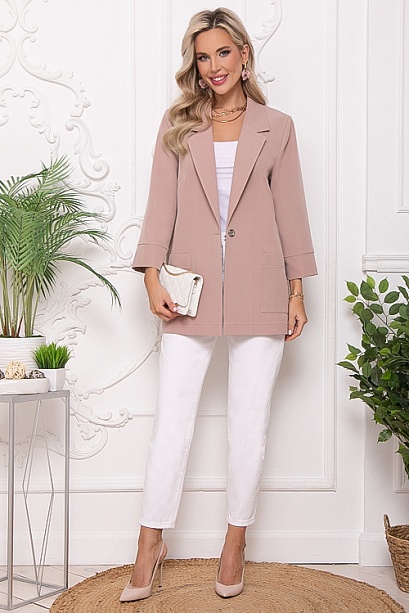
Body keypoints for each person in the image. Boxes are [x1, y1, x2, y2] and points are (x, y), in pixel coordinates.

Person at [120, 7, 317, 603]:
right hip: (189, 289)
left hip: (261, 285)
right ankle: (149, 543)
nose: (214, 67)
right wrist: (150, 275)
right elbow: (161, 206)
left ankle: (235, 543)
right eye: (203, 57)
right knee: (172, 420)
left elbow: (291, 210)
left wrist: (297, 290)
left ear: (244, 55)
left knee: (249, 422)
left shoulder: (277, 127)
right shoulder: (178, 124)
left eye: (223, 53)